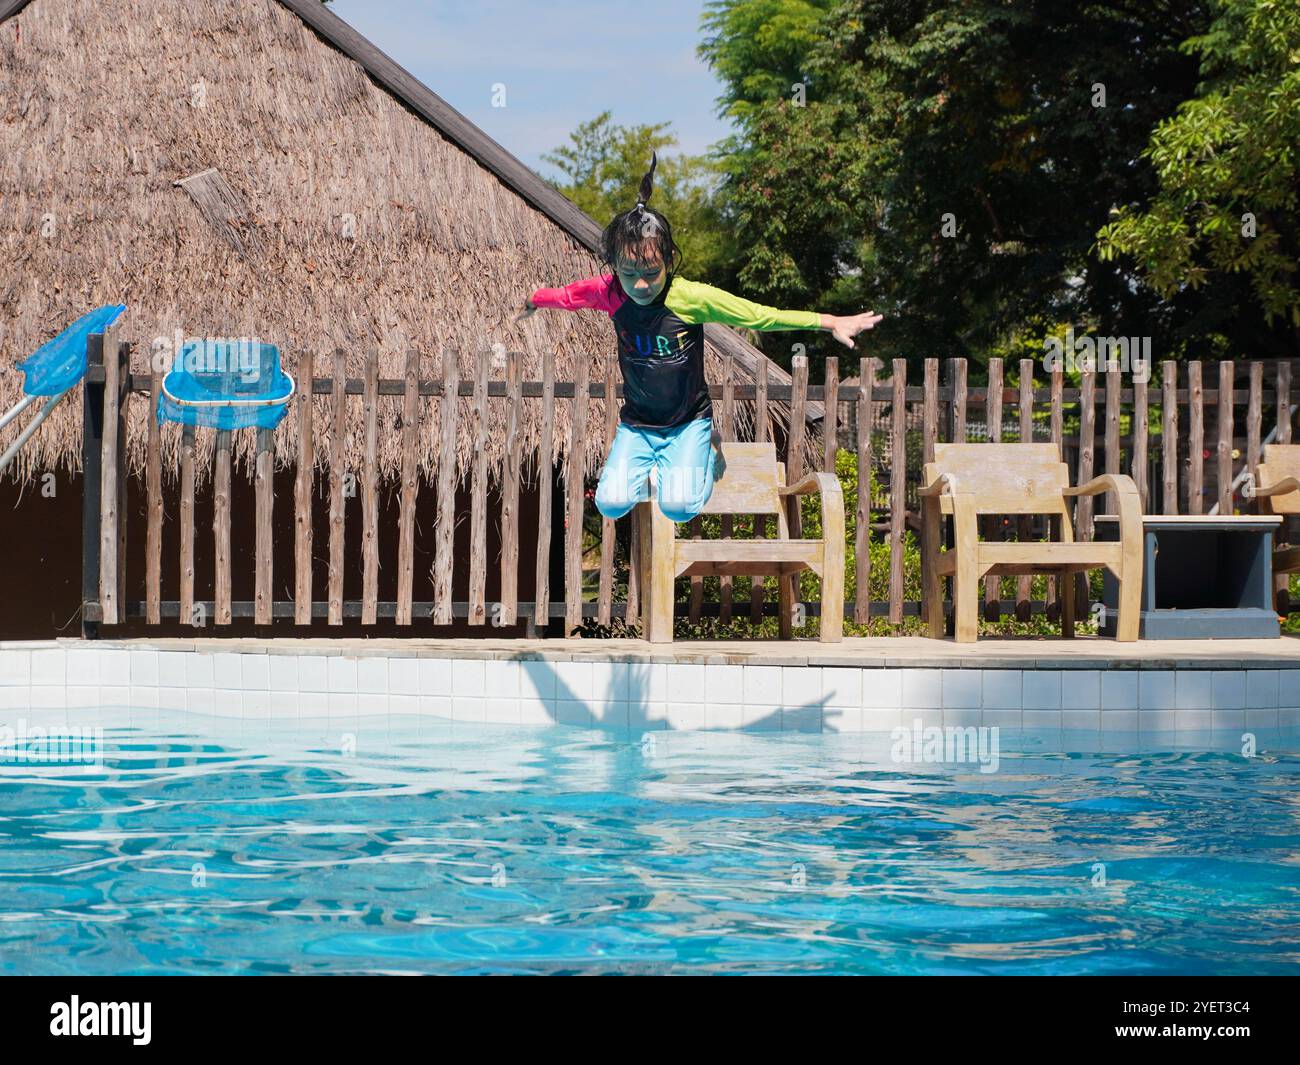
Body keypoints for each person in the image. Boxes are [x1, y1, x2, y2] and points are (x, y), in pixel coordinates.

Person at [517, 152, 883, 524]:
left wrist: (828, 320)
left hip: (689, 422)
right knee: (609, 504)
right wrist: (535, 298)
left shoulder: (690, 298)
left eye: (651, 272)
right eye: (629, 274)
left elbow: (760, 315)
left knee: (677, 510)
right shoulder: (610, 292)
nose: (640, 284)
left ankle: (709, 453)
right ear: (615, 267)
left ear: (669, 260)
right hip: (638, 424)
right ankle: (654, 473)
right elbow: (567, 296)